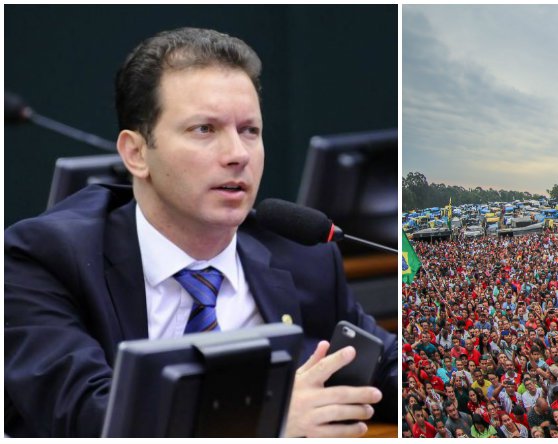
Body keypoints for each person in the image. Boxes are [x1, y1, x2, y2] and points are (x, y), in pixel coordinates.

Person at [3, 27, 396, 438]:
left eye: (250, 131)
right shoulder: (44, 260)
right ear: (136, 153)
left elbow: (384, 366)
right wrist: (264, 421)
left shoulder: (302, 255)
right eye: (204, 130)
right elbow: (89, 418)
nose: (237, 155)